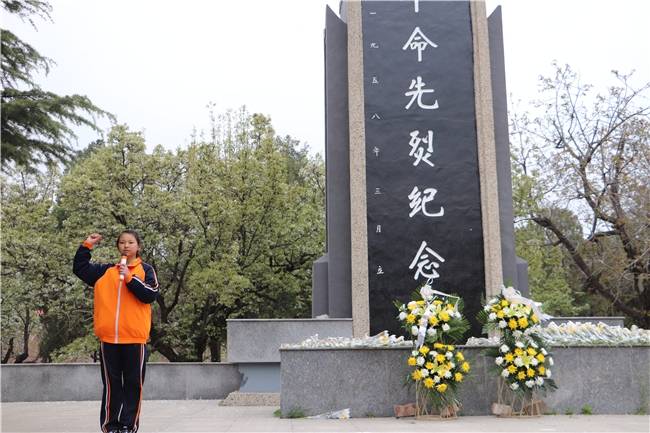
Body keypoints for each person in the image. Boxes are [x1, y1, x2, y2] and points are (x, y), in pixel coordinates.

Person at [73, 230, 159, 433]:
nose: (126, 246)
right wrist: (86, 246)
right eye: (122, 242)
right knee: (112, 386)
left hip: (134, 339)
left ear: (138, 246)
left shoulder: (146, 270)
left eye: (130, 242)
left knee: (133, 384)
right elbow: (80, 268)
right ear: (117, 246)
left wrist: (130, 278)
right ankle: (111, 426)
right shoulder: (105, 271)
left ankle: (129, 425)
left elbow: (150, 295)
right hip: (109, 338)